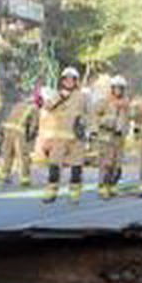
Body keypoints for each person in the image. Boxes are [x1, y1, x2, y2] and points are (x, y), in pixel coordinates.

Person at [36, 67, 87, 203]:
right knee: (54, 167)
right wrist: (60, 97)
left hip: (77, 138)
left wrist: (89, 129)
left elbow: (90, 114)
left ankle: (74, 194)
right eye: (66, 79)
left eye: (72, 79)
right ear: (62, 81)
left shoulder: (82, 97)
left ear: (76, 81)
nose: (69, 82)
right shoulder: (56, 94)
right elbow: (47, 107)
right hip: (59, 138)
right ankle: (51, 193)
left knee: (76, 168)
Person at [92, 74, 133, 199]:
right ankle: (103, 187)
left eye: (121, 88)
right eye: (116, 88)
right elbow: (94, 115)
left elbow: (131, 117)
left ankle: (112, 186)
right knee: (106, 164)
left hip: (119, 139)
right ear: (112, 89)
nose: (118, 91)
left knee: (117, 165)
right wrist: (105, 122)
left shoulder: (126, 104)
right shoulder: (105, 101)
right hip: (106, 138)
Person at [0, 88, 40, 187]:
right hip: (19, 133)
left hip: (7, 131)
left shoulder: (17, 105)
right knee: (23, 156)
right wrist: (30, 138)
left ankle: (5, 175)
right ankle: (24, 178)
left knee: (8, 153)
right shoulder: (34, 108)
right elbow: (34, 126)